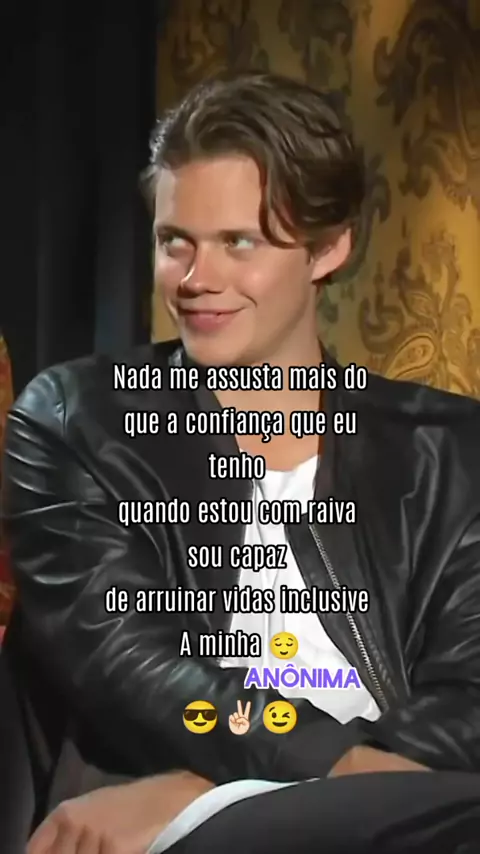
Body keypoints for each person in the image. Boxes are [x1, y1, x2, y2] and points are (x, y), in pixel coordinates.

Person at [3, 70, 480, 854]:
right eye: (175, 243)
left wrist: (271, 782)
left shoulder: (450, 450)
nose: (197, 281)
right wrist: (329, 770)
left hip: (383, 804)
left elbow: (470, 691)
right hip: (161, 806)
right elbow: (127, 660)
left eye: (238, 243)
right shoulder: (76, 419)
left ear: (330, 248)